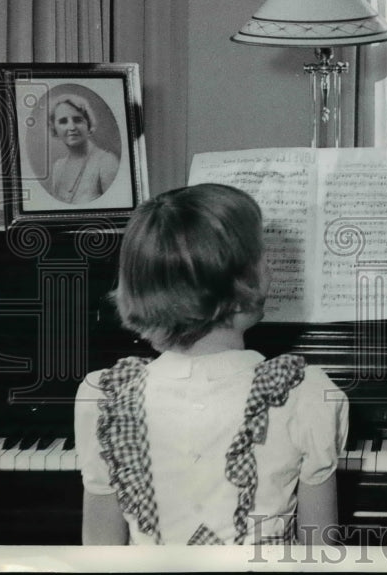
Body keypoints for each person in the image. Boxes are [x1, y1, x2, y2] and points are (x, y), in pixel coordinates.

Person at [74, 183, 348, 545]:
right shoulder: (304, 395)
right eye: (263, 256)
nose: (270, 268)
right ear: (243, 284)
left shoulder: (106, 398)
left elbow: (100, 552)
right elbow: (320, 552)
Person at [48, 95, 120, 204]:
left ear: (88, 124)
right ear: (54, 128)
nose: (72, 127)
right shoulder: (58, 167)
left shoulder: (106, 162)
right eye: (63, 121)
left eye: (78, 120)